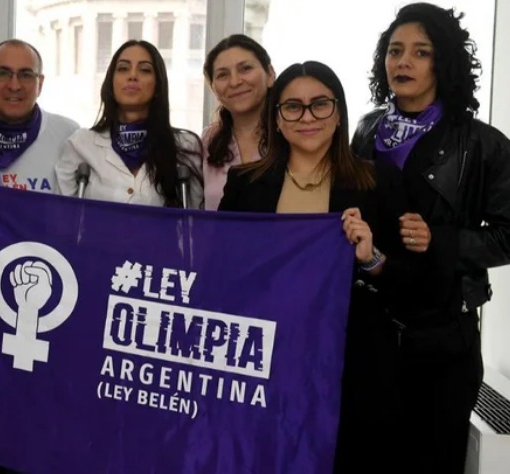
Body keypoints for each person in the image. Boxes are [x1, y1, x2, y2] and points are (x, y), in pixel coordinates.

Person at [217, 61, 407, 473]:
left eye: (320, 104)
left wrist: (372, 258)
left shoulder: (379, 182)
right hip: (265, 364)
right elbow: (222, 273)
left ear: (338, 114)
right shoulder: (245, 185)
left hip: (351, 365)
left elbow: (414, 284)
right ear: (276, 119)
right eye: (293, 107)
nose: (307, 117)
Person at [351, 3, 510, 472]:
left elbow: (508, 235)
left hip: (443, 338)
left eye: (421, 52)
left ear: (444, 63)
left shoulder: (483, 143)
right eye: (395, 51)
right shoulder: (366, 130)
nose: (403, 62)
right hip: (370, 329)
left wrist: (441, 241)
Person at [55, 40, 202, 208]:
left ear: (158, 85)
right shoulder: (81, 144)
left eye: (145, 70)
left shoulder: (185, 145)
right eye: (123, 68)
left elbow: (195, 217)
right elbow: (63, 214)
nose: (132, 76)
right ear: (111, 82)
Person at [0, 39, 79, 193]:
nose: (14, 86)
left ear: (40, 83)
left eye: (26, 75)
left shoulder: (69, 136)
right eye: (3, 74)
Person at [202, 34, 275, 210]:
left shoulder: (293, 135)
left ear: (270, 74)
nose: (234, 82)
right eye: (222, 75)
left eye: (245, 69)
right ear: (213, 88)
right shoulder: (206, 141)